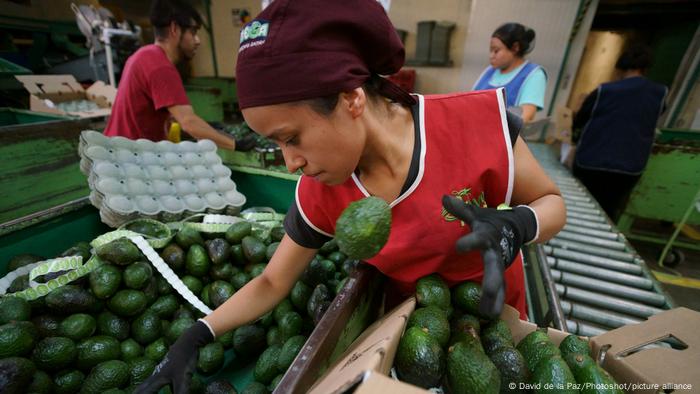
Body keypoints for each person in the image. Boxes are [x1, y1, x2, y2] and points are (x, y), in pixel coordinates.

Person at [136, 1, 566, 392]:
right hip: (417, 340)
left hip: (496, 329)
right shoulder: (323, 191)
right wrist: (197, 334)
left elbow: (553, 203)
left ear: (351, 99)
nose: (290, 163)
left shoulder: (473, 122)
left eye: (292, 138)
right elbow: (272, 281)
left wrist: (517, 226)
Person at [104, 0, 235, 149]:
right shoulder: (161, 66)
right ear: (174, 28)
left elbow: (172, 116)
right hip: (127, 158)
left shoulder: (142, 55)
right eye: (193, 32)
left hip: (115, 151)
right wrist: (235, 144)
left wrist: (208, 127)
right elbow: (188, 123)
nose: (197, 41)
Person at [572, 43, 667, 222]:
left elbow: (580, 119)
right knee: (608, 212)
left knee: (580, 208)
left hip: (591, 161)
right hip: (630, 167)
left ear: (620, 67)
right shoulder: (659, 93)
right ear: (645, 68)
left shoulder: (604, 91)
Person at [473, 23, 547, 122]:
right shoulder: (490, 71)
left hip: (503, 136)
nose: (491, 56)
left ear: (515, 48)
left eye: (496, 51)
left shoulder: (533, 75)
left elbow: (525, 117)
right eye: (490, 50)